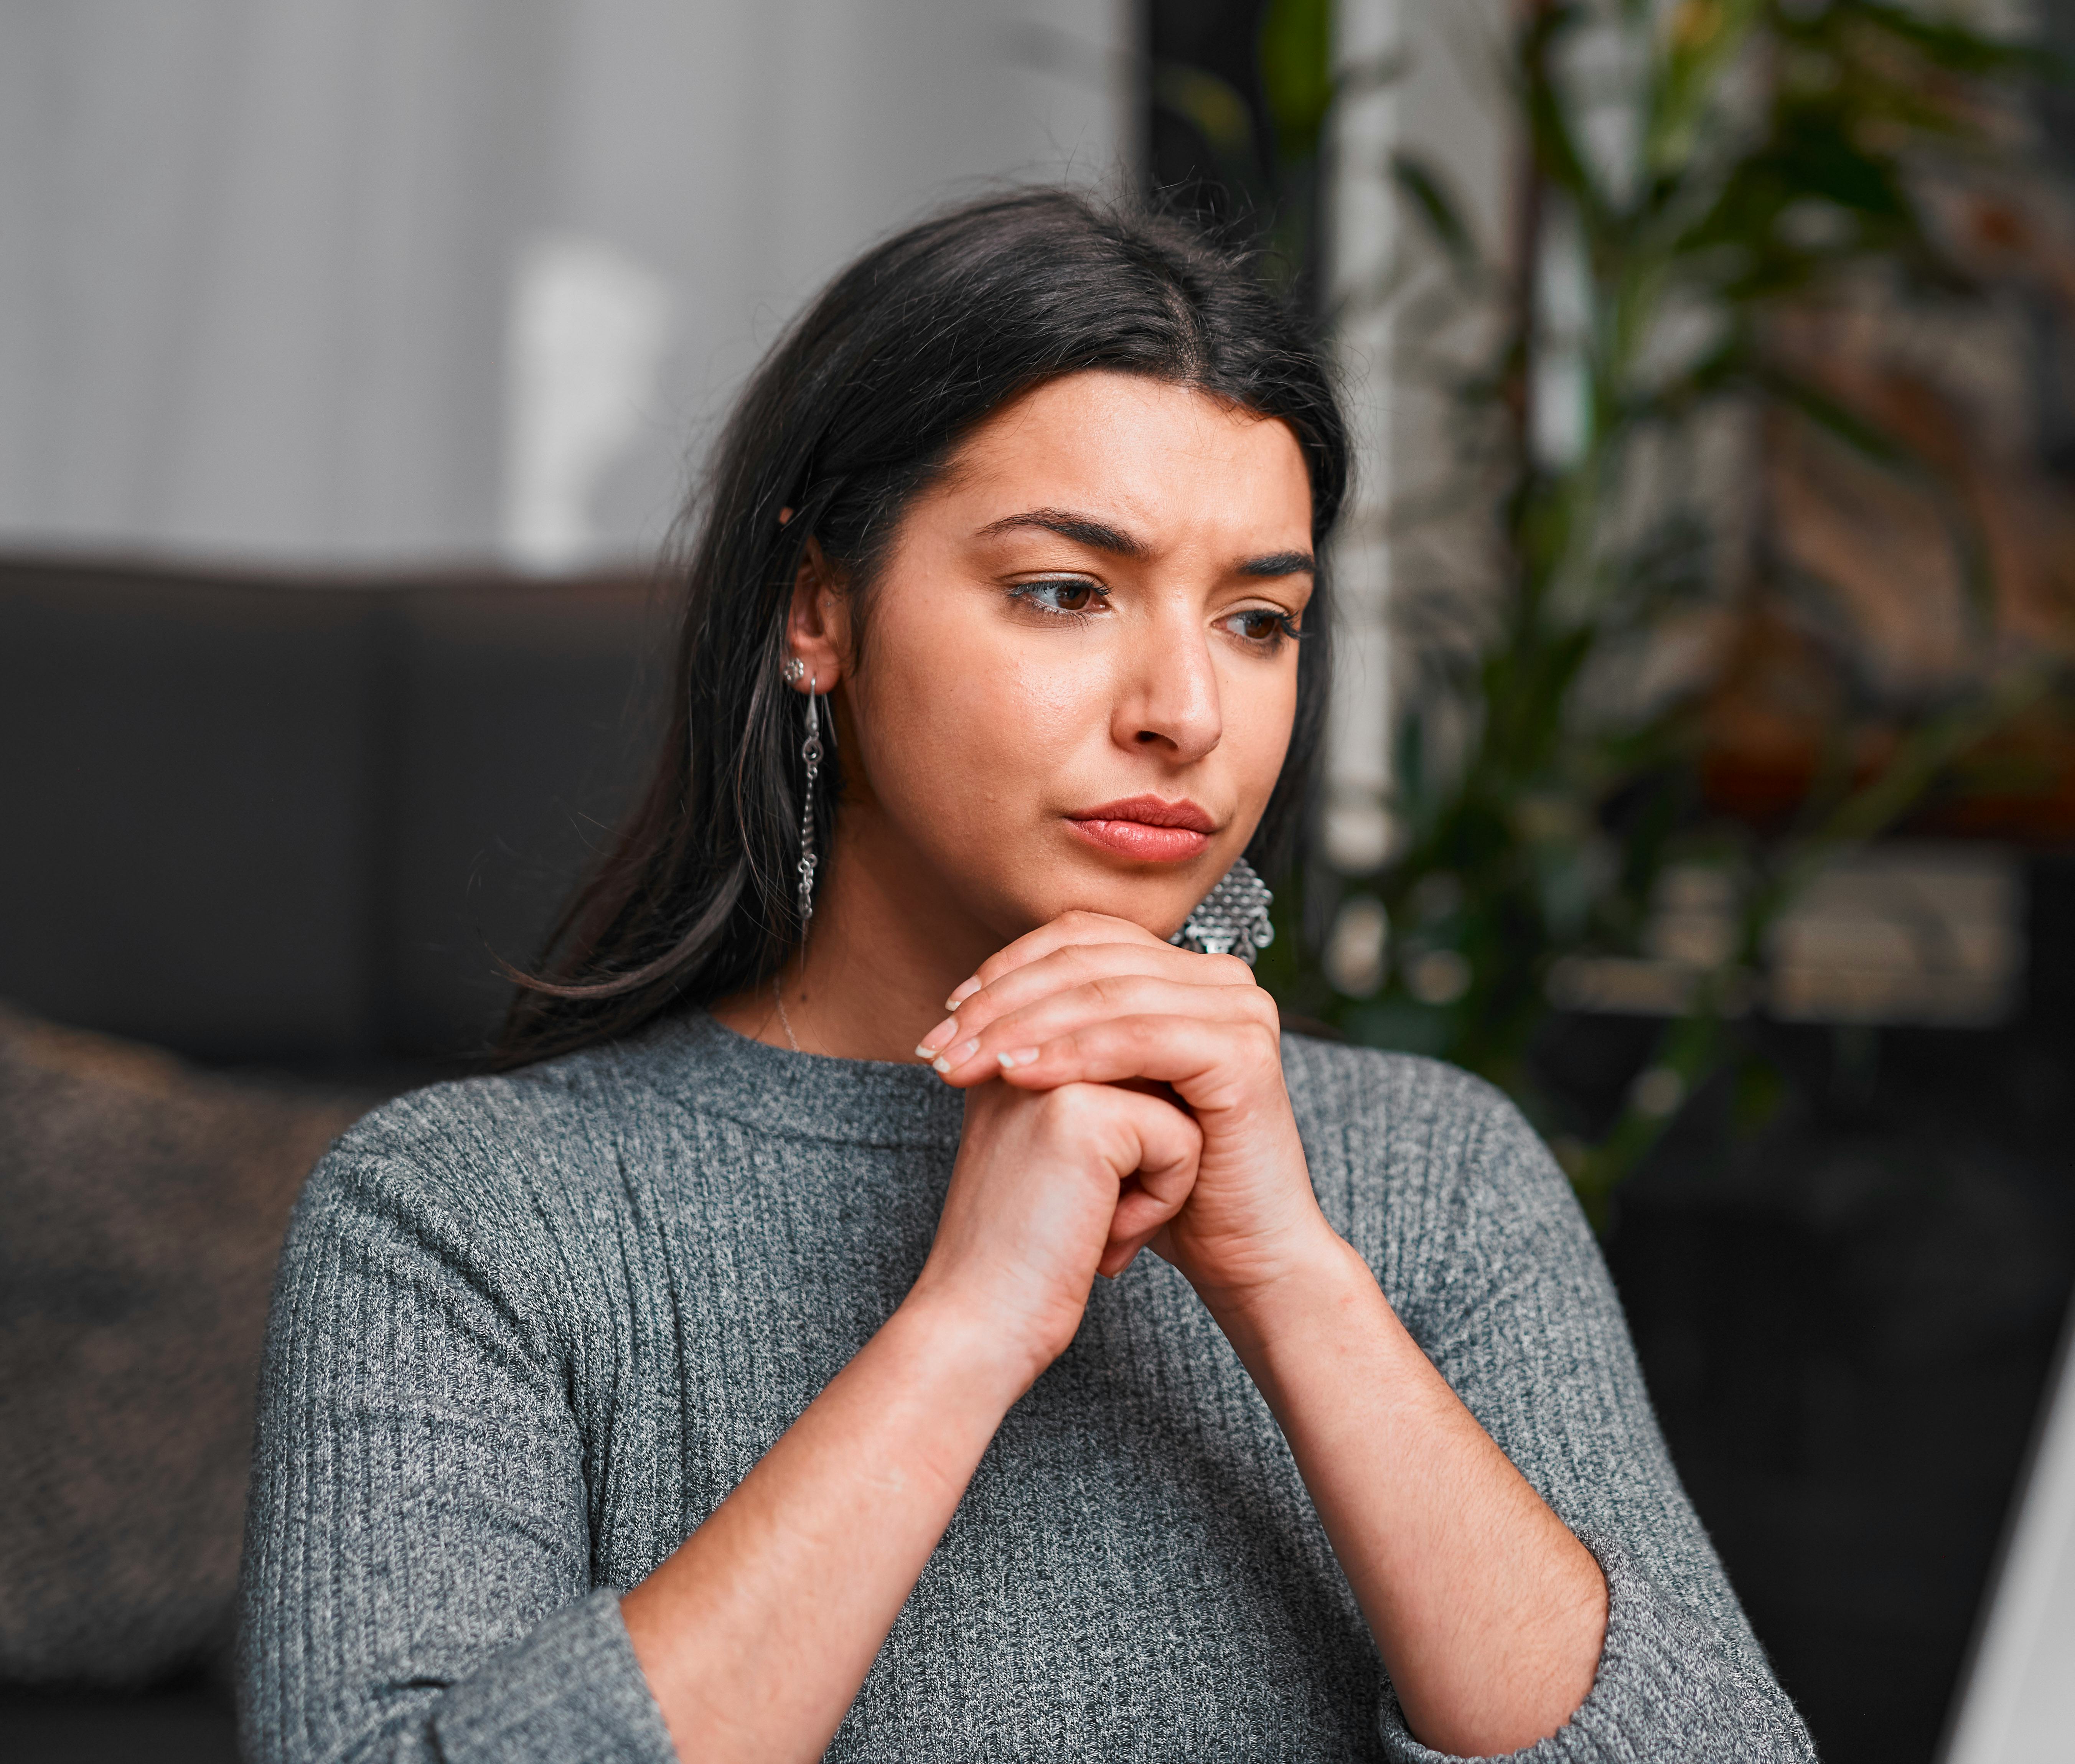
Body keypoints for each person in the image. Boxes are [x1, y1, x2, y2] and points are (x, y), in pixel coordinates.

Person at [239, 190, 1812, 1764]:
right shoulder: (465, 1217)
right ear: (817, 611)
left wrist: (1291, 1280)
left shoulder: (1438, 1179)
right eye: (1066, 590)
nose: (1185, 708)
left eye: (1258, 619)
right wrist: (967, 1324)